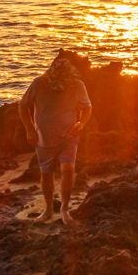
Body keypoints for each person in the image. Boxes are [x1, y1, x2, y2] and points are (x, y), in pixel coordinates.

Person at [19, 50, 93, 222]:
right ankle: (48, 210)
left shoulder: (77, 85)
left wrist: (81, 123)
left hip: (69, 136)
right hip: (43, 137)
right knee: (46, 174)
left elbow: (88, 108)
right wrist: (29, 129)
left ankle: (65, 209)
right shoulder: (38, 83)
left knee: (68, 169)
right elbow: (23, 106)